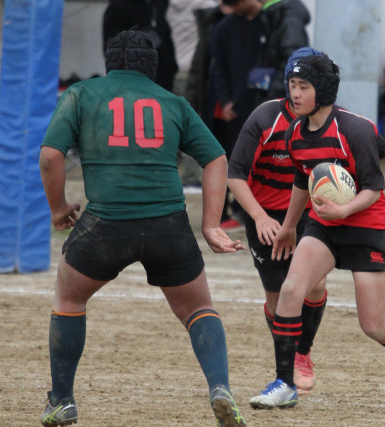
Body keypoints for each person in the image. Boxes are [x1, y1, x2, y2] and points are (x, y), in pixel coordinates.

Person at [38, 30, 247, 427]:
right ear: (153, 67)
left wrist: (58, 208)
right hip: (168, 225)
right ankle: (220, 387)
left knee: (69, 297)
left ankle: (62, 400)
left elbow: (51, 157)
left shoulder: (81, 94)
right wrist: (211, 225)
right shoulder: (174, 102)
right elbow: (216, 159)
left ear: (108, 63)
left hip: (105, 225)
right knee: (199, 308)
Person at [228, 47, 385, 396]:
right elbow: (301, 181)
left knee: (373, 324)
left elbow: (374, 188)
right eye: (292, 85)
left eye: (303, 87)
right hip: (323, 224)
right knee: (291, 290)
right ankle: (285, 383)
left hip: (366, 225)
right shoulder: (294, 132)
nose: (295, 93)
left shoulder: (354, 128)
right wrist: (289, 226)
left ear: (323, 90)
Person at [209, 0, 267, 230]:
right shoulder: (224, 27)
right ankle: (223, 211)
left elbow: (266, 67)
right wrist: (226, 101)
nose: (234, 8)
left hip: (257, 105)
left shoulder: (268, 24)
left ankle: (245, 211)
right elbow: (218, 68)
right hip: (230, 111)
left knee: (254, 161)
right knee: (225, 159)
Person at [102, 0, 178, 92]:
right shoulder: (118, 9)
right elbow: (114, 54)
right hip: (134, 87)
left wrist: (172, 69)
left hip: (162, 85)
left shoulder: (156, 5)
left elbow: (166, 41)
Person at [258, 0, 310, 100]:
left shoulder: (289, 20)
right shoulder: (273, 17)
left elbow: (294, 62)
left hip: (280, 97)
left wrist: (272, 96)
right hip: (272, 94)